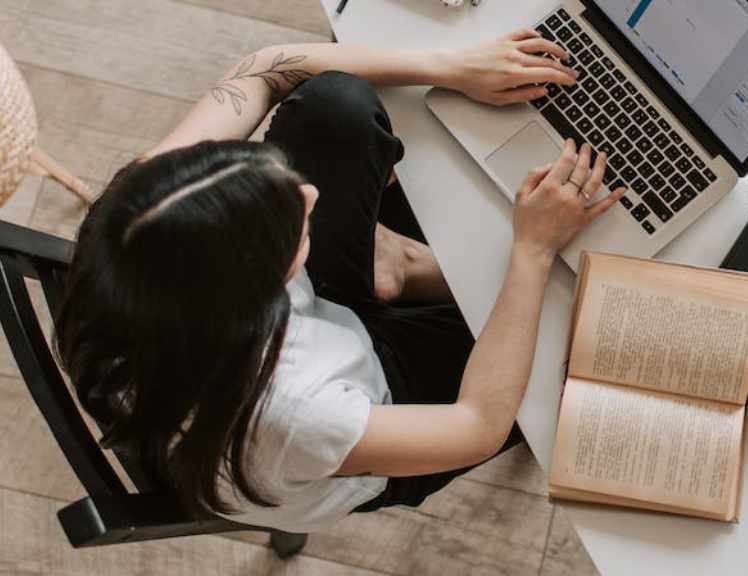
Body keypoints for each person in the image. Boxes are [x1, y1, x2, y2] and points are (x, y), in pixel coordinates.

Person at [55, 33, 626, 534]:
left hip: (292, 340)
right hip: (374, 412)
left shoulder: (141, 214)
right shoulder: (298, 414)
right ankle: (401, 272)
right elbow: (476, 425)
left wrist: (449, 66)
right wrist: (529, 251)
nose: (308, 194)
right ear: (257, 293)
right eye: (291, 226)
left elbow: (262, 69)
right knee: (582, 339)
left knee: (334, 105)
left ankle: (392, 270)